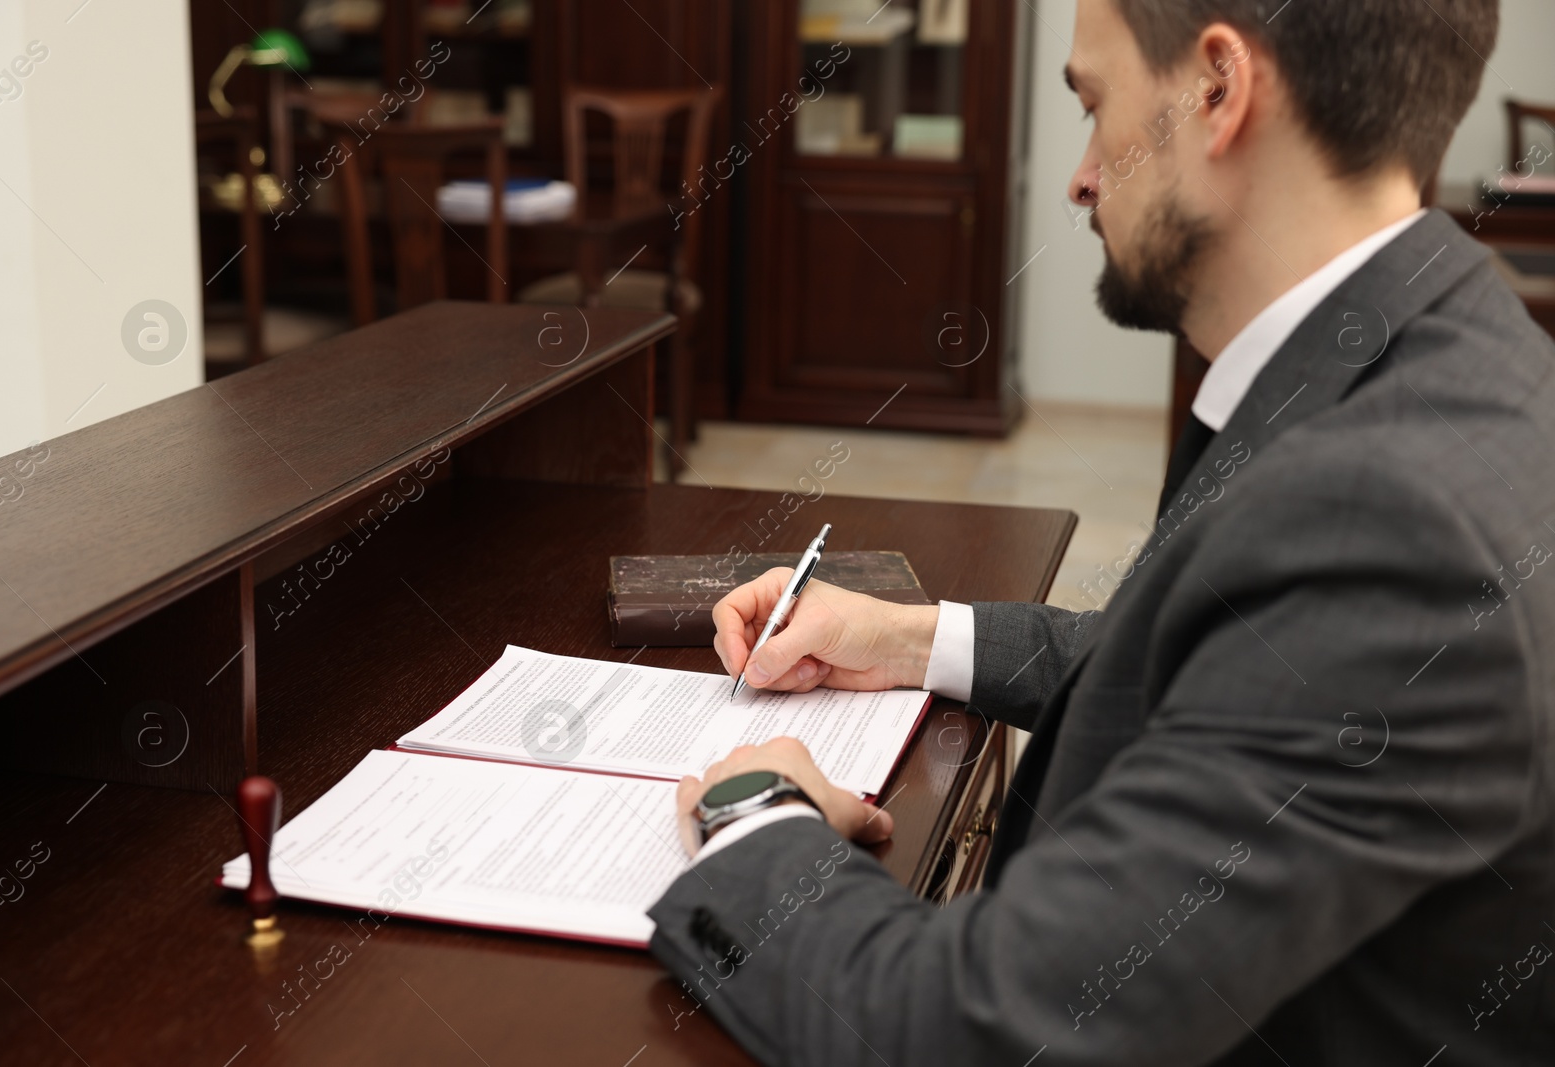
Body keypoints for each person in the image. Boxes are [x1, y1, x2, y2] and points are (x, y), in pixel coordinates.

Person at [647, 0, 1555, 1063]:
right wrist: (908, 638)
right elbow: (1236, 666)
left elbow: (972, 1034)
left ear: (1215, 92)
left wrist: (757, 815)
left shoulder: (1390, 524)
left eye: (1093, 105)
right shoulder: (1446, 343)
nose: (1080, 176)